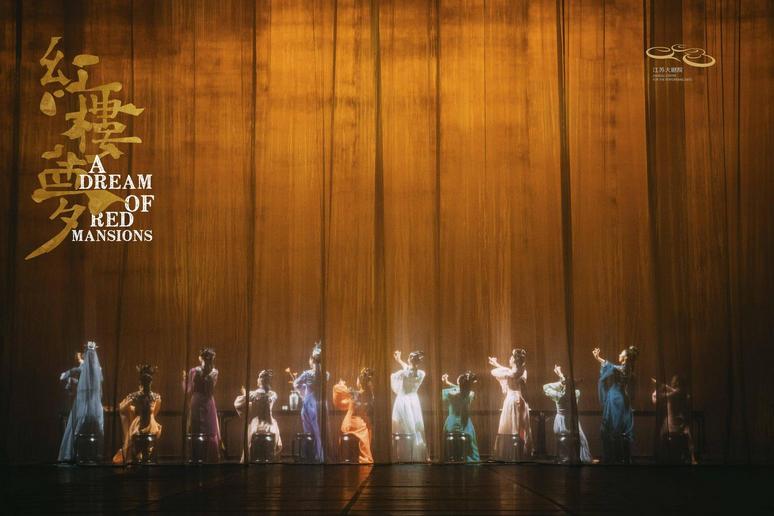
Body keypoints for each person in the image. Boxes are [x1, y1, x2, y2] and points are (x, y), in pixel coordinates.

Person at [58, 341, 104, 463]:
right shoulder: (84, 368)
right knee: (79, 424)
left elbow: (97, 388)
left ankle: (93, 452)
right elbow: (81, 381)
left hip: (91, 403)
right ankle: (77, 452)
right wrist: (70, 378)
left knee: (91, 425)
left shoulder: (94, 369)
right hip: (85, 402)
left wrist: (68, 376)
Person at [593, 345, 638, 464]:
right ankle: (619, 458)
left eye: (621, 354)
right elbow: (611, 366)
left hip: (616, 399)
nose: (619, 355)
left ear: (626, 357)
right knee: (617, 427)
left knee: (613, 427)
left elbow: (610, 367)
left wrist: (598, 358)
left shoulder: (624, 369)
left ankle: (614, 458)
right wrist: (599, 358)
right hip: (620, 398)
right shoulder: (627, 369)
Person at [113, 364, 162, 464]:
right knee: (137, 438)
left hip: (149, 423)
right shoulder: (138, 395)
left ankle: (144, 458)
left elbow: (154, 412)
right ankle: (138, 458)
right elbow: (122, 408)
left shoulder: (155, 397)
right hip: (140, 423)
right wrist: (133, 408)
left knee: (147, 438)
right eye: (145, 381)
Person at [543, 364, 592, 463]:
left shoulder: (558, 396)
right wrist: (561, 376)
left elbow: (545, 387)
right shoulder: (576, 393)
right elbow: (570, 387)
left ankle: (563, 457)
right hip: (571, 419)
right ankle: (574, 456)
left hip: (561, 420)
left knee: (563, 439)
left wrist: (561, 382)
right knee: (577, 437)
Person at [489, 349, 532, 455]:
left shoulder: (511, 373)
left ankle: (510, 452)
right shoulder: (522, 371)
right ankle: (520, 451)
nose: (510, 359)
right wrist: (497, 364)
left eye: (511, 357)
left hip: (512, 400)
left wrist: (496, 365)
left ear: (514, 360)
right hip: (520, 399)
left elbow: (496, 372)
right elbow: (509, 371)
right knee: (519, 425)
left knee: (511, 426)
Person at [235, 369, 282, 462]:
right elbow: (265, 401)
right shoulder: (273, 394)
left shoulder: (254, 394)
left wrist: (248, 401)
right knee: (275, 434)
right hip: (270, 425)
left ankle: (253, 459)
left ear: (260, 380)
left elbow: (238, 403)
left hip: (256, 425)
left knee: (250, 436)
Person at [184, 347, 220, 462]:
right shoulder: (194, 371)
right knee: (196, 427)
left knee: (209, 427)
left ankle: (208, 457)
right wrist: (186, 380)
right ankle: (196, 456)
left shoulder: (214, 372)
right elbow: (189, 390)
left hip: (207, 401)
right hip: (197, 400)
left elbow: (209, 389)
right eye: (206, 358)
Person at [391, 350, 428, 462]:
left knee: (404, 426)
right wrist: (399, 360)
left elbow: (403, 373)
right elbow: (409, 369)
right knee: (414, 425)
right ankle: (414, 453)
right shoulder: (421, 373)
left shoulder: (403, 373)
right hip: (414, 400)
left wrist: (400, 361)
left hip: (403, 400)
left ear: (410, 359)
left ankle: (404, 455)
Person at [651, 374, 697, 464]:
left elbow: (658, 399)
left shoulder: (677, 393)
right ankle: (691, 458)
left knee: (666, 433)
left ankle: (690, 458)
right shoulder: (681, 393)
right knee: (666, 429)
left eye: (674, 381)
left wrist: (656, 392)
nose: (672, 382)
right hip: (677, 422)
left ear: (677, 383)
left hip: (676, 424)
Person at [332, 367, 375, 464]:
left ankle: (346, 457)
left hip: (350, 423)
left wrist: (343, 385)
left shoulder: (354, 393)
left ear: (359, 382)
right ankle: (365, 459)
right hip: (363, 423)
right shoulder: (370, 395)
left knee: (364, 427)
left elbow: (337, 390)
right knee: (367, 428)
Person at [294, 342, 325, 462]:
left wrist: (303, 391)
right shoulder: (325, 374)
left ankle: (310, 455)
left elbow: (296, 384)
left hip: (309, 403)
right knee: (319, 431)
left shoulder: (307, 374)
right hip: (321, 403)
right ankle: (319, 456)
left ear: (312, 360)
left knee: (309, 431)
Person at [441, 371, 479, 462]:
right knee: (469, 444)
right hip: (466, 423)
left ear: (459, 383)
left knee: (451, 443)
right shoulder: (471, 394)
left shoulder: (451, 394)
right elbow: (462, 389)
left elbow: (455, 389)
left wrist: (446, 383)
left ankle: (452, 457)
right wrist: (448, 382)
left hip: (452, 421)